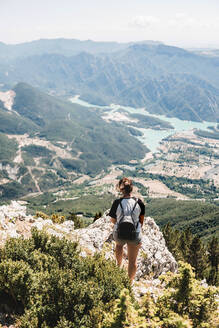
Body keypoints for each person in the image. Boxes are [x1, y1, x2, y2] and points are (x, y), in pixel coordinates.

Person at [109, 177, 145, 282]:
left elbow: (112, 220)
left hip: (119, 233)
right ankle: (129, 283)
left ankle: (119, 265)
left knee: (119, 245)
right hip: (135, 234)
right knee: (132, 261)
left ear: (121, 189)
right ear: (132, 188)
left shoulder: (117, 203)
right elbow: (141, 221)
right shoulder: (139, 203)